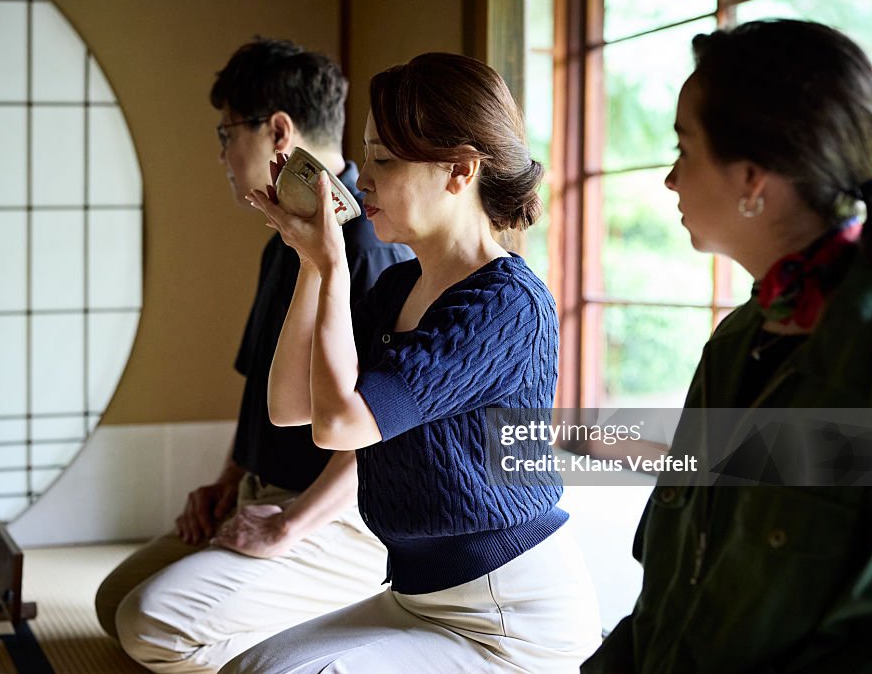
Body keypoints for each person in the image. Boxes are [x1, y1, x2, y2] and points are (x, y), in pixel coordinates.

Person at [222, 52, 601, 673]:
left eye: (384, 159)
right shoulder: (398, 288)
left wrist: (333, 264)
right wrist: (310, 261)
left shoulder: (506, 303)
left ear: (460, 170)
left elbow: (339, 426)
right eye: (367, 157)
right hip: (416, 594)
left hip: (508, 614)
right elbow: (289, 407)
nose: (363, 179)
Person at [583, 20, 872, 673]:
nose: (671, 179)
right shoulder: (736, 341)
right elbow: (668, 596)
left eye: (684, 149)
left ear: (753, 178)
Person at [93, 38, 412, 673]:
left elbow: (381, 434)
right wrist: (226, 483)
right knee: (113, 602)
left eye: (227, 133)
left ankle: (327, 633)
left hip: (334, 517)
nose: (221, 154)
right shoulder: (285, 239)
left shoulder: (371, 248)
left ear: (278, 131)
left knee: (148, 624)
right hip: (264, 496)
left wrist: (290, 525)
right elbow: (264, 400)